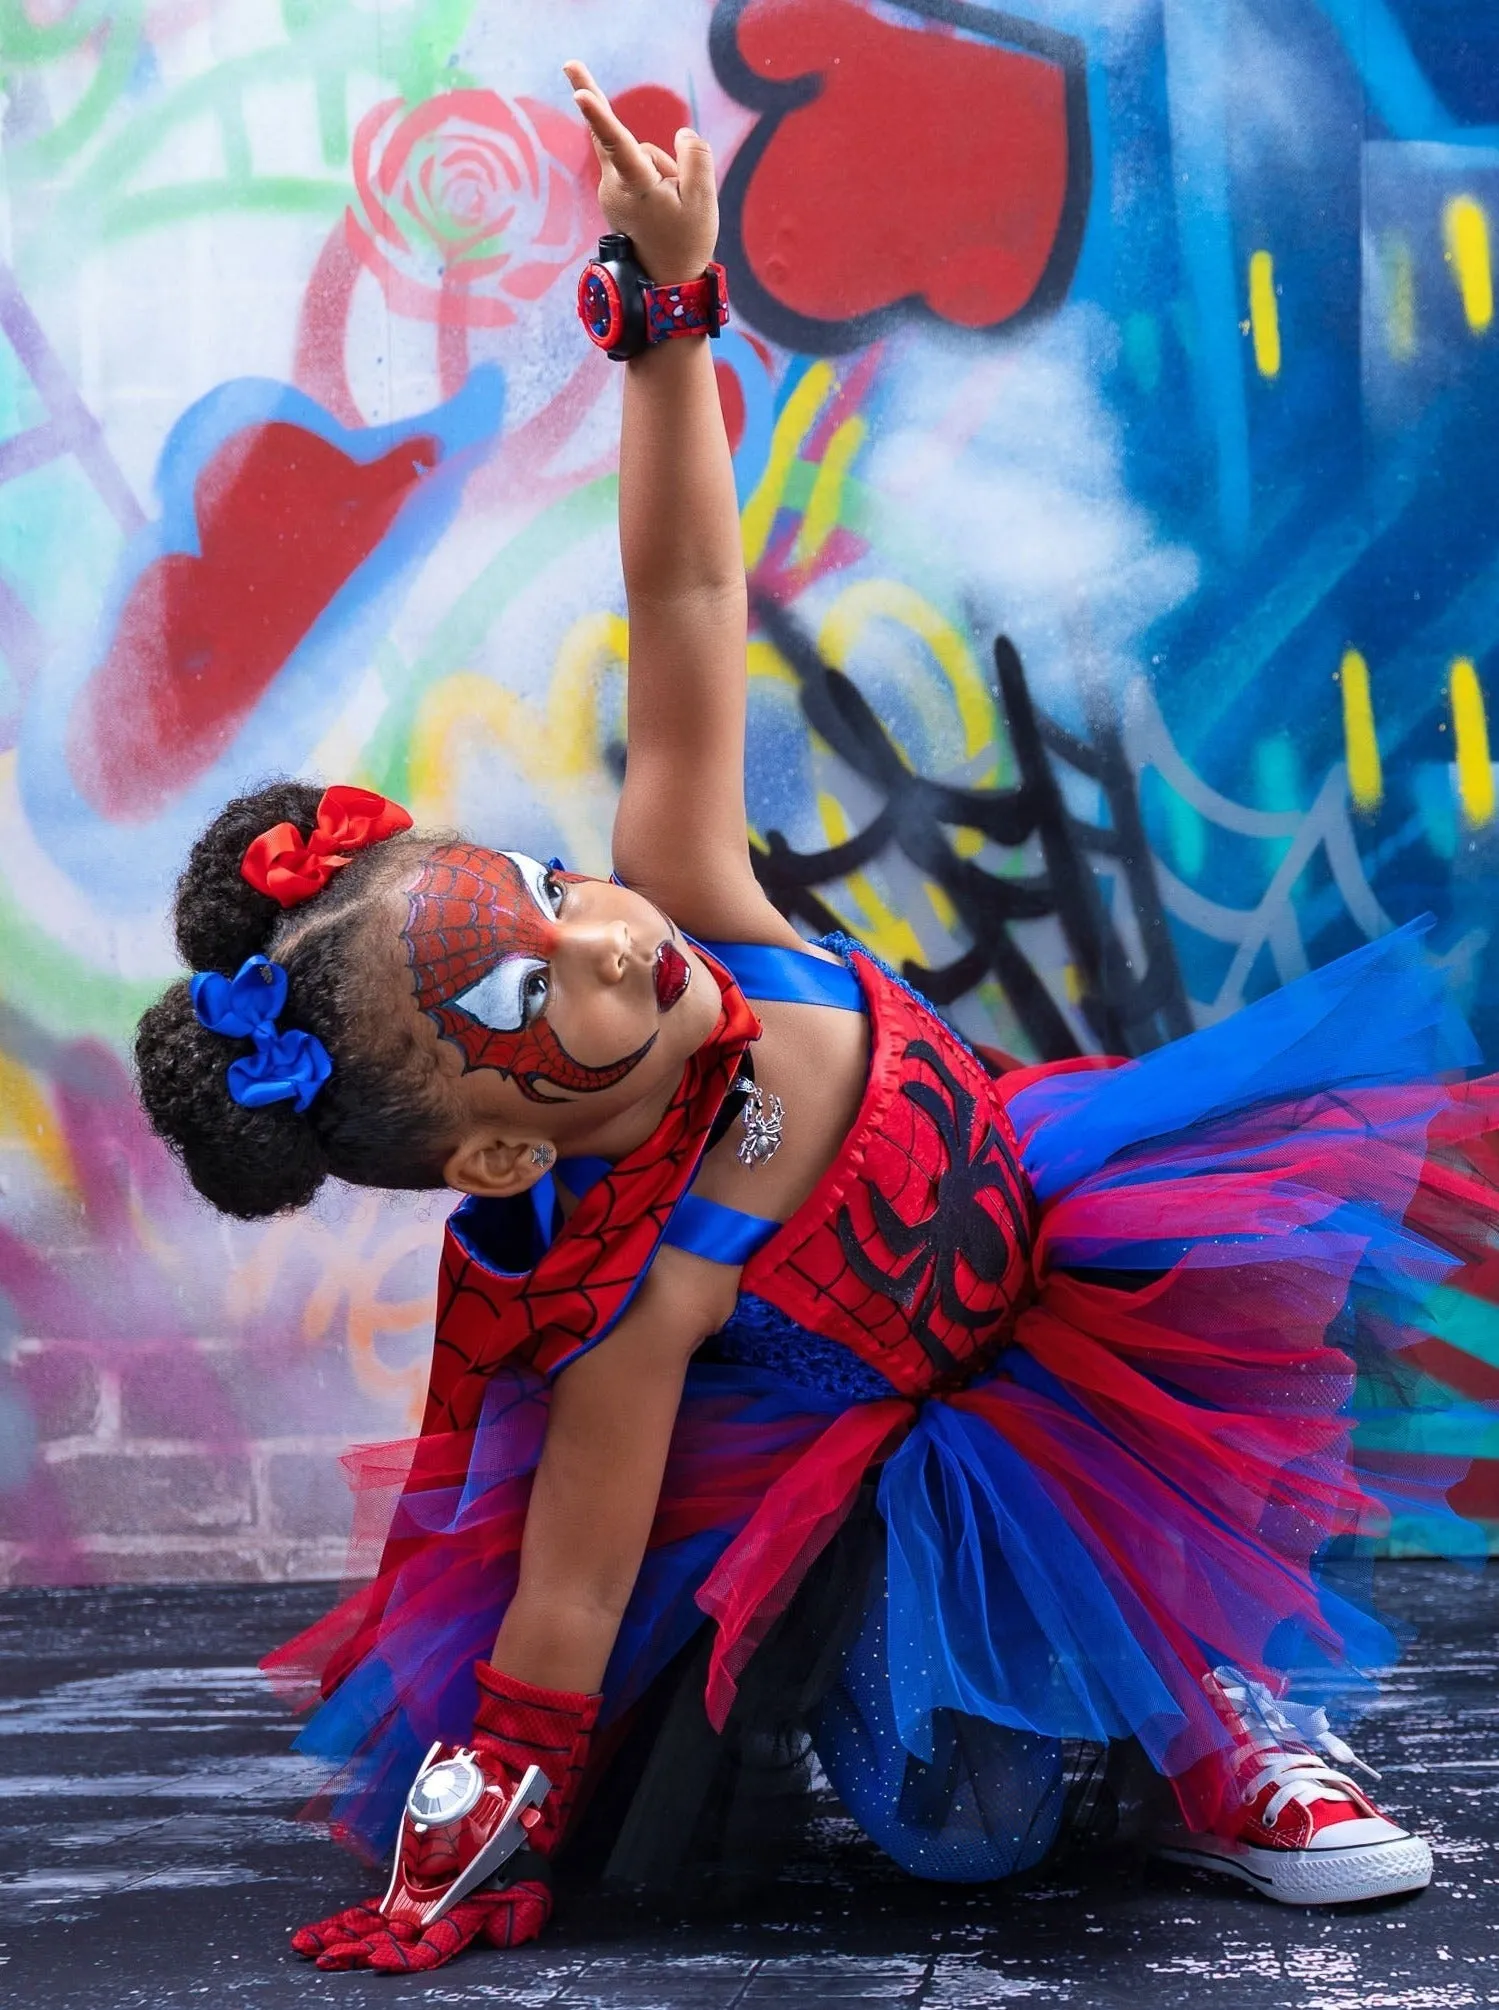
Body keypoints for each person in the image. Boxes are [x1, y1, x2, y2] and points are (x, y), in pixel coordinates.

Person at [132, 62, 1498, 1977]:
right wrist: (479, 1833)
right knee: (967, 1831)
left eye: (544, 885)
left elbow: (686, 585)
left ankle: (1209, 1730)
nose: (600, 937)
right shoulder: (632, 1297)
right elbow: (571, 1587)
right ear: (510, 1143)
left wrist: (668, 311)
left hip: (1060, 1263)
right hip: (892, 1463)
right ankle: (1064, 1726)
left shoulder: (689, 896)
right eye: (532, 993)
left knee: (1214, 1400)